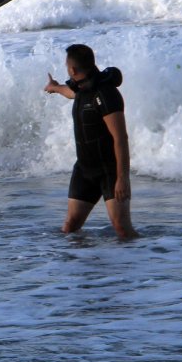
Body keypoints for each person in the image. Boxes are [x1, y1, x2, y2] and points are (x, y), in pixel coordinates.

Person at [44, 44, 139, 239]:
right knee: (70, 227)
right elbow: (70, 92)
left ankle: (144, 260)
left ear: (72, 69)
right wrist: (54, 88)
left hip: (108, 171)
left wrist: (123, 178)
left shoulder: (105, 94)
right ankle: (83, 267)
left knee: (122, 229)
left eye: (66, 66)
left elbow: (120, 137)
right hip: (84, 170)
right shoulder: (81, 88)